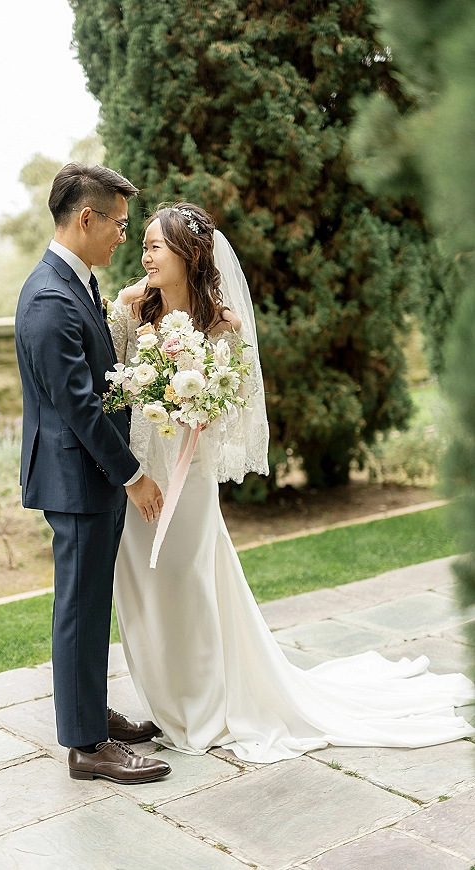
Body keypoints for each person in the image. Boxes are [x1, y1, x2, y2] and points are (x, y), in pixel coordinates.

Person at [109, 202, 475, 764]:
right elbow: (111, 381)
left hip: (191, 472)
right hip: (140, 469)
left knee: (188, 580)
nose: (145, 254)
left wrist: (198, 407)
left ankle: (206, 711)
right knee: (142, 588)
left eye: (156, 245)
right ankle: (167, 705)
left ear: (189, 252)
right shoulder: (132, 308)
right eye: (145, 245)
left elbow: (239, 407)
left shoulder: (224, 324)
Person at [14, 163, 171, 783]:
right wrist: (133, 475)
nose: (123, 238)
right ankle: (86, 746)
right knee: (79, 607)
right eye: (120, 224)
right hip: (78, 479)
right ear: (87, 218)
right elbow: (80, 404)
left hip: (86, 476)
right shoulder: (52, 297)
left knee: (89, 601)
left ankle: (88, 713)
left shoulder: (73, 283)